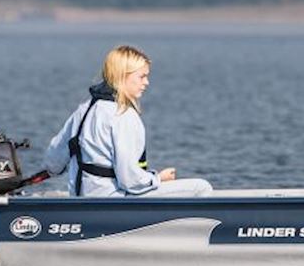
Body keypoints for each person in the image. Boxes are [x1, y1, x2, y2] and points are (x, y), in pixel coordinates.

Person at [42, 45, 213, 197]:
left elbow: (53, 163)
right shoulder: (124, 115)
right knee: (201, 187)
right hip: (113, 201)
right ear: (122, 76)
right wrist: (157, 178)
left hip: (81, 199)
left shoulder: (83, 109)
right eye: (142, 77)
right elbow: (129, 181)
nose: (147, 83)